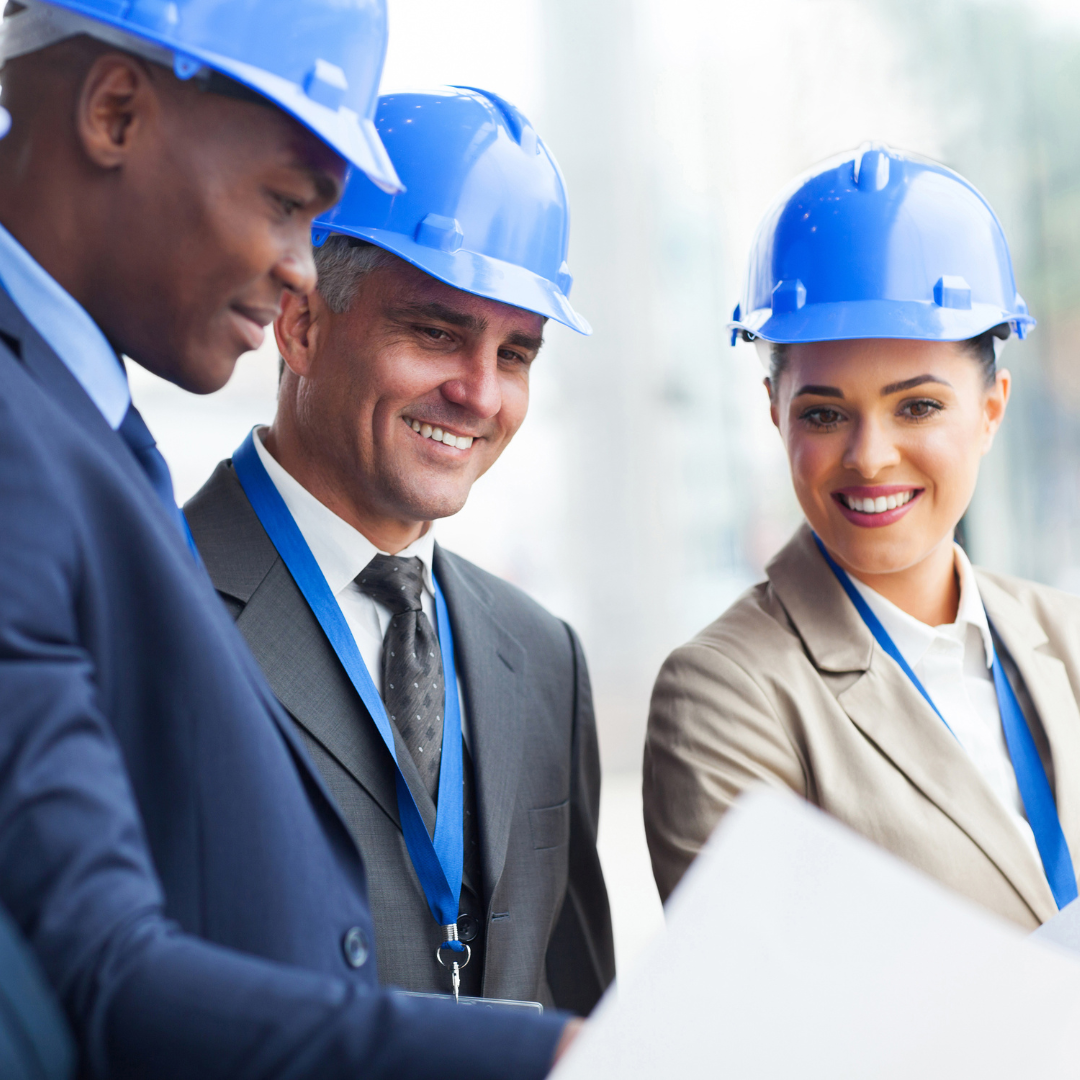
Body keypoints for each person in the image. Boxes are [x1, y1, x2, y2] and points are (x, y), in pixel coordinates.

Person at [0, 1, 577, 1075]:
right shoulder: (28, 448)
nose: (298, 273)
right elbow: (103, 970)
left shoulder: (91, 429)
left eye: (519, 353)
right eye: (284, 205)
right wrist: (563, 1061)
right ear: (116, 111)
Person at [185, 86, 615, 1013]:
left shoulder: (543, 657)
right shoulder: (152, 602)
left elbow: (580, 1009)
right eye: (435, 333)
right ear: (300, 323)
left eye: (516, 355)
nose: (479, 394)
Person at [643, 145, 1080, 930]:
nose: (870, 455)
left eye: (917, 407)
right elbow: (779, 1019)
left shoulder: (1067, 636)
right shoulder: (724, 695)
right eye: (824, 413)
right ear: (774, 413)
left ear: (991, 409)